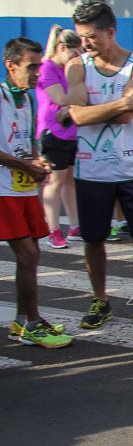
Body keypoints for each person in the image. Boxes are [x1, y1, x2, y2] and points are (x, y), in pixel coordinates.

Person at [62, 0, 133, 331]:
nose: (85, 44)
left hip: (132, 168)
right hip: (91, 170)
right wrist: (123, 101)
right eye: (81, 37)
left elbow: (123, 118)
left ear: (110, 32)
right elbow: (77, 115)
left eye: (91, 36)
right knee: (94, 240)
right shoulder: (76, 66)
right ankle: (100, 299)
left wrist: (94, 110)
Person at [2, 37, 72, 348]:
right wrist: (25, 165)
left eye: (38, 68)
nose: (37, 75)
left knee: (32, 255)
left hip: (23, 188)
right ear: (11, 65)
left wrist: (37, 160)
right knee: (27, 255)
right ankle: (31, 323)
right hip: (4, 190)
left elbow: (27, 140)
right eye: (31, 67)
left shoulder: (28, 99)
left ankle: (22, 320)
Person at [37, 25, 82, 249]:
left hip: (72, 131)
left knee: (70, 179)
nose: (77, 58)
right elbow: (62, 98)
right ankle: (53, 229)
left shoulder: (67, 68)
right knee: (55, 180)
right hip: (54, 131)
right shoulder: (47, 68)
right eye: (75, 53)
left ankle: (75, 226)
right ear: (62, 47)